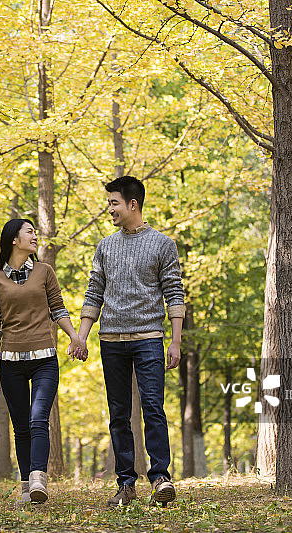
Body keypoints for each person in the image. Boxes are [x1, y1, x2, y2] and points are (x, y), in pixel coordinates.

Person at [72, 175, 185, 507]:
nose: (109, 209)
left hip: (149, 338)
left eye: (113, 203)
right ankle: (126, 484)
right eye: (109, 203)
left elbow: (174, 293)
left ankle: (161, 478)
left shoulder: (163, 244)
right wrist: (82, 335)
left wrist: (175, 341)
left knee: (153, 408)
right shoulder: (105, 246)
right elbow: (94, 293)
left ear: (132, 204)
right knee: (119, 413)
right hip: (111, 340)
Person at [0, 218, 86, 504]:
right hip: (11, 361)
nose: (35, 236)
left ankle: (38, 477)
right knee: (21, 427)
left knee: (39, 417)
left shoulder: (44, 271)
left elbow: (57, 308)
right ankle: (27, 487)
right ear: (13, 240)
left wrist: (74, 337)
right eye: (29, 232)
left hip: (44, 358)